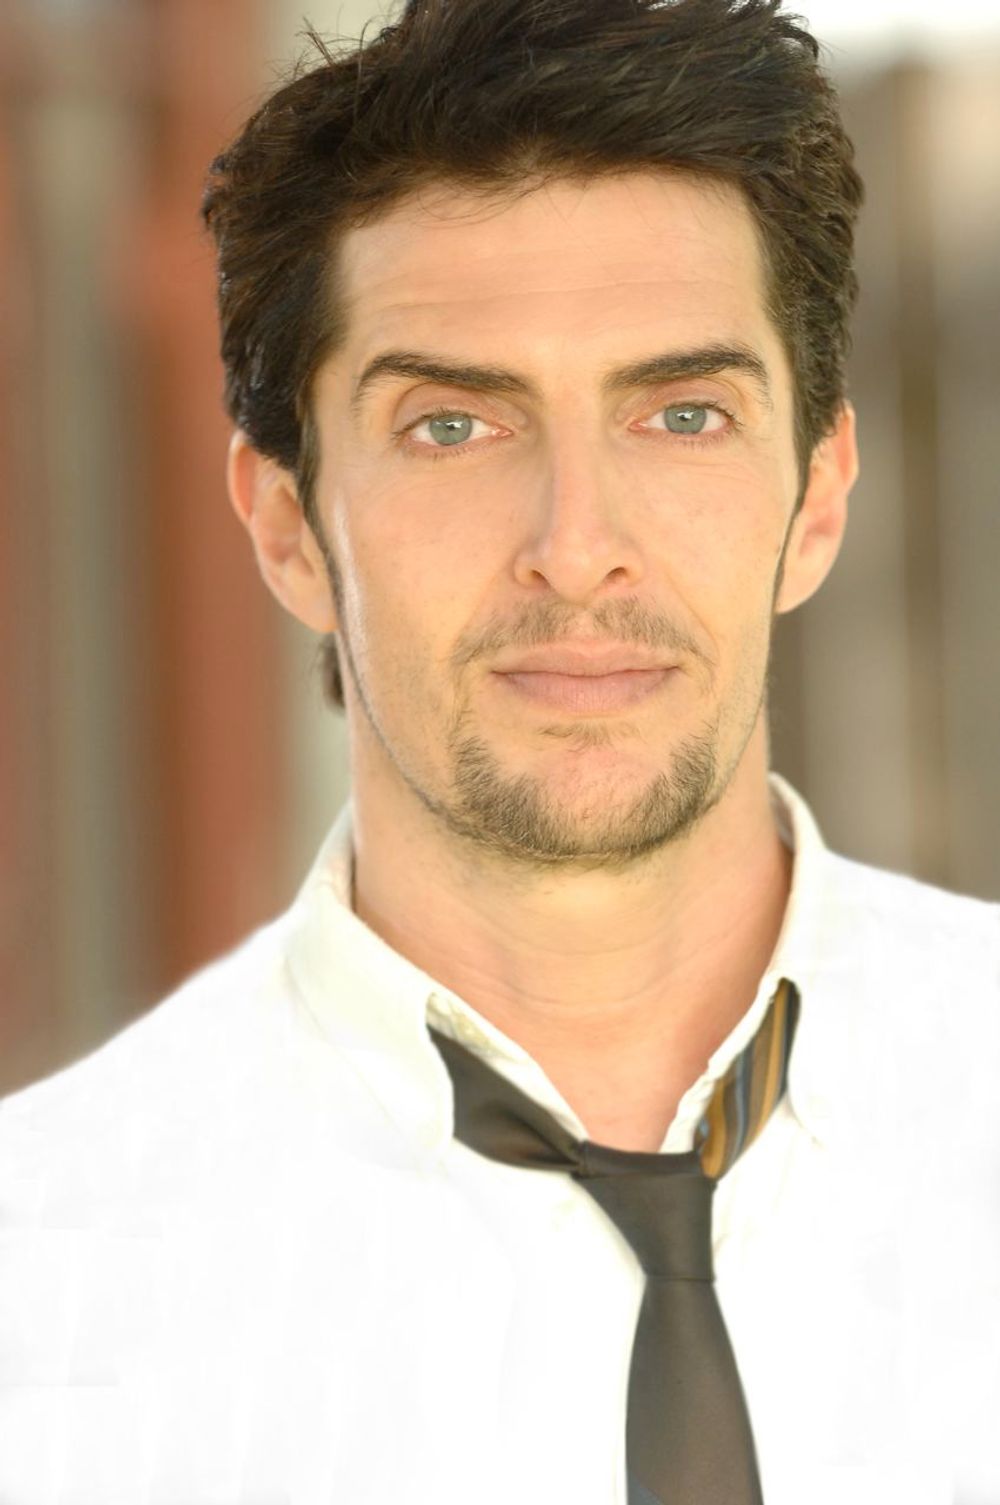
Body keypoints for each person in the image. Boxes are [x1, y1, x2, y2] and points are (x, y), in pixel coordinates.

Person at [1, 0, 997, 1501]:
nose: (577, 548)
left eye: (682, 414)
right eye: (454, 428)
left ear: (819, 498)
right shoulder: (42, 1288)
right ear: (288, 529)